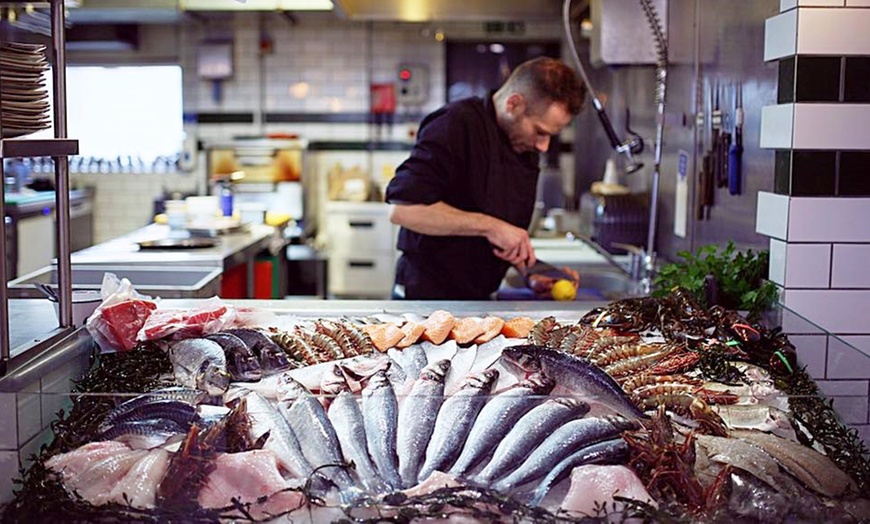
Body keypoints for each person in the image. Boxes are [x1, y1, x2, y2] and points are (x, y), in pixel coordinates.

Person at [385, 57, 587, 300]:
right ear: (514, 104)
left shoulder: (524, 146)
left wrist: (530, 271)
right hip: (426, 297)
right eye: (540, 132)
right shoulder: (454, 124)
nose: (544, 146)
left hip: (480, 297)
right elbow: (404, 211)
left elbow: (504, 230)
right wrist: (490, 226)